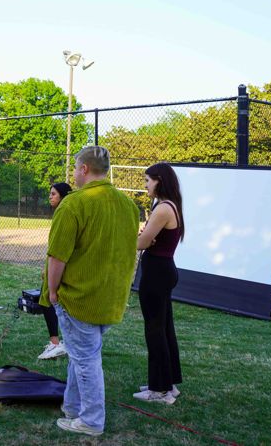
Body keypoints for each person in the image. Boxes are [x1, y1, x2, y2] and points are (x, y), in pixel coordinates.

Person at [48, 146, 139, 437]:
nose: (74, 174)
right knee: (80, 354)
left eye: (75, 168)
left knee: (86, 360)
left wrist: (52, 291)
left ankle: (91, 420)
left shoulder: (74, 204)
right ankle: (73, 407)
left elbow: (57, 256)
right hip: (110, 298)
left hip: (80, 297)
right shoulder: (128, 205)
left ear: (84, 169)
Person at [134, 162, 184, 404]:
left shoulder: (163, 208)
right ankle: (168, 383)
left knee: (155, 330)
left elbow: (142, 243)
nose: (145, 185)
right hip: (163, 271)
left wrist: (141, 238)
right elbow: (148, 239)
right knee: (164, 328)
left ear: (159, 181)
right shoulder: (171, 205)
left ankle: (160, 390)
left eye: (147, 181)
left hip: (157, 273)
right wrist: (146, 237)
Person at [36, 182, 72, 360]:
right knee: (46, 303)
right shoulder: (60, 212)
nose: (50, 197)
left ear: (63, 196)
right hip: (53, 266)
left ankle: (56, 343)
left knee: (49, 302)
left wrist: (51, 272)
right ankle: (57, 342)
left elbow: (58, 251)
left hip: (60, 269)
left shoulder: (65, 213)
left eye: (53, 194)